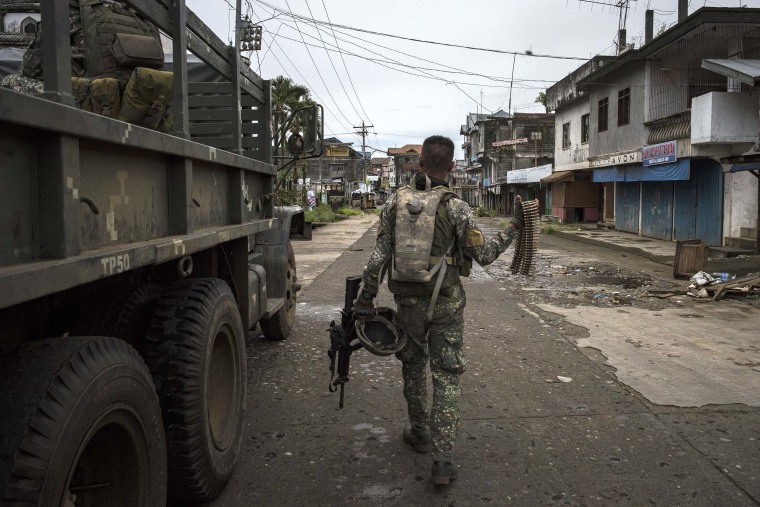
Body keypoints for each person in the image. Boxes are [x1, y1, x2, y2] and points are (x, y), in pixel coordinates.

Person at [354, 135, 524, 485]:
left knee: (413, 367)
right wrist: (514, 228)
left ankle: (419, 433)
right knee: (446, 377)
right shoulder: (457, 207)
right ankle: (442, 462)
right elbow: (486, 254)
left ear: (418, 164)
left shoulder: (394, 203)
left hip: (407, 305)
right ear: (451, 167)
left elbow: (377, 259)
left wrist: (365, 300)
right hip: (445, 306)